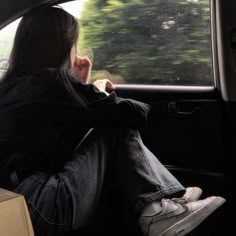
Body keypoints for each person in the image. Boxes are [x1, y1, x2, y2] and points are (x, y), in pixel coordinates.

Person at [0, 6, 225, 236]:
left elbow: (64, 132)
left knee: (109, 123)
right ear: (63, 46)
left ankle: (164, 206)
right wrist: (95, 90)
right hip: (43, 207)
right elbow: (132, 114)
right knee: (115, 126)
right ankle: (158, 211)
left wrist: (81, 86)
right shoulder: (51, 81)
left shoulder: (12, 86)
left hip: (24, 203)